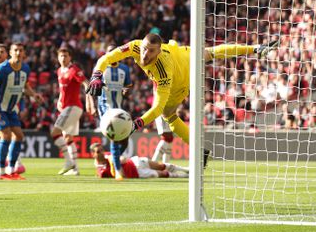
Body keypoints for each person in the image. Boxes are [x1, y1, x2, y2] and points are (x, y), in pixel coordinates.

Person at [87, 34, 278, 165]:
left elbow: (157, 107)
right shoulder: (136, 46)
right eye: (145, 49)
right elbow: (108, 57)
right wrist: (96, 75)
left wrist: (136, 124)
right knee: (211, 52)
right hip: (182, 52)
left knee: (168, 114)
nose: (145, 55)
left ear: (158, 51)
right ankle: (256, 48)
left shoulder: (163, 72)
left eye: (151, 51)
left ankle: (198, 149)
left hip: (181, 79)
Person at [0, 42, 43, 180]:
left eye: (20, 50)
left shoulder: (25, 68)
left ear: (24, 53)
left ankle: (11, 170)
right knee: (5, 136)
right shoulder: (2, 68)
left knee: (18, 136)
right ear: (10, 53)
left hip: (10, 110)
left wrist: (34, 95)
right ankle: (1, 171)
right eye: (15, 50)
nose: (18, 53)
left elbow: (25, 86)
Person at [51, 46, 95, 176]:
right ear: (58, 58)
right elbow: (62, 90)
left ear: (70, 57)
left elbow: (86, 84)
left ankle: (69, 162)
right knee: (68, 138)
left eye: (65, 56)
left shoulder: (74, 70)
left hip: (73, 107)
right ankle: (75, 169)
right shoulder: (59, 71)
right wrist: (59, 100)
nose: (63, 58)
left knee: (55, 133)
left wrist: (90, 101)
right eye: (61, 56)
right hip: (66, 107)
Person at [97, 45, 132, 180]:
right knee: (115, 135)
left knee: (125, 137)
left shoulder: (124, 69)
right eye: (109, 52)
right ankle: (118, 170)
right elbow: (91, 84)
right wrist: (90, 104)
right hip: (105, 107)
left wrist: (126, 90)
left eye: (113, 52)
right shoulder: (101, 66)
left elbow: (128, 86)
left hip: (118, 107)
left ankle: (113, 158)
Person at [90, 142, 189, 178]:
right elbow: (120, 175)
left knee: (161, 166)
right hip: (137, 173)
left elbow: (123, 159)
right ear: (93, 154)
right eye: (98, 152)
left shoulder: (108, 155)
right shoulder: (102, 172)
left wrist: (116, 160)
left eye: (102, 150)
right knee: (162, 174)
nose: (102, 153)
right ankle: (184, 176)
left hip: (135, 161)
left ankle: (186, 170)